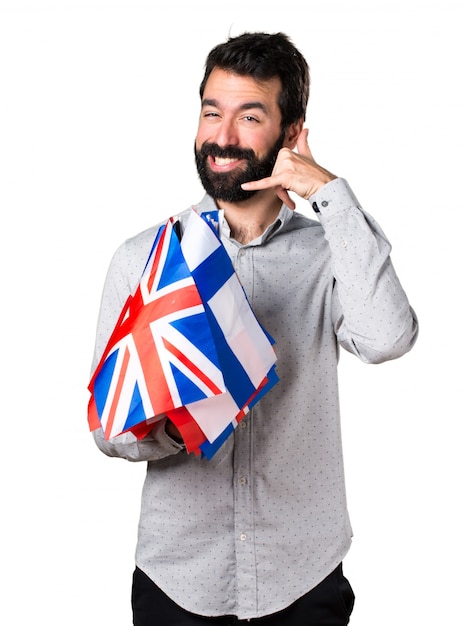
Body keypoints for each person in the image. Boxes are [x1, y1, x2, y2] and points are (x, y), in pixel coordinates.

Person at [90, 32, 418, 625]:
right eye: (212, 112)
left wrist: (327, 192)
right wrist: (176, 423)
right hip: (179, 580)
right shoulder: (145, 259)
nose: (223, 136)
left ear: (292, 134)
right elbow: (109, 428)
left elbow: (389, 336)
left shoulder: (330, 252)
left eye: (250, 116)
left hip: (303, 577)